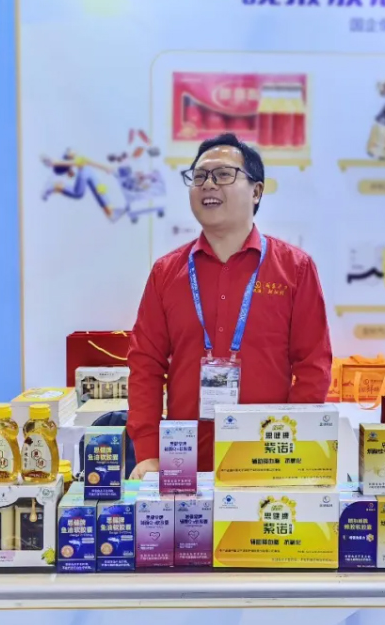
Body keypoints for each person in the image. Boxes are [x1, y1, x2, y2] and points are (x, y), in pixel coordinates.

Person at [126, 133, 332, 478]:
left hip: (266, 459)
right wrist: (147, 451)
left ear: (256, 191)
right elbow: (145, 364)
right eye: (199, 176)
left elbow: (314, 366)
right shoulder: (167, 273)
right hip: (183, 461)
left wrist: (291, 444)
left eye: (223, 174)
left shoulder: (294, 269)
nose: (208, 184)